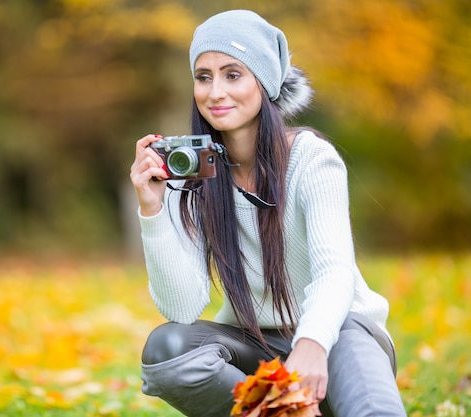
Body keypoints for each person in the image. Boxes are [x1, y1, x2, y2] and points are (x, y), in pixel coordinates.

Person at [129, 9, 406, 417]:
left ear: (265, 81)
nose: (215, 91)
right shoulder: (190, 174)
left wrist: (311, 345)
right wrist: (152, 209)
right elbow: (183, 309)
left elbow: (335, 271)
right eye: (203, 77)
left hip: (338, 333)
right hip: (255, 346)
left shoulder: (311, 159)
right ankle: (281, 412)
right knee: (168, 351)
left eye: (233, 74)